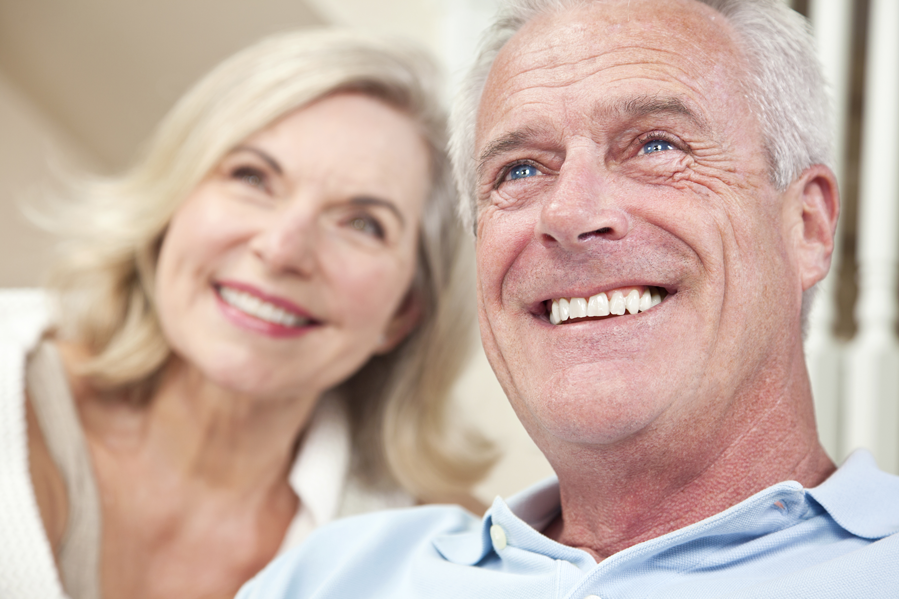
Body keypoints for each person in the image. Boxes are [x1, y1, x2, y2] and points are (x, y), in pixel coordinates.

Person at [235, 0, 899, 597]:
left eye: (655, 144)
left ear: (806, 227)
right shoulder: (331, 576)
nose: (569, 210)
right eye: (520, 169)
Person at [0, 29, 494, 599]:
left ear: (403, 313)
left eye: (363, 223)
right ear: (174, 202)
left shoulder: (444, 561)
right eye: (252, 177)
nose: (282, 248)